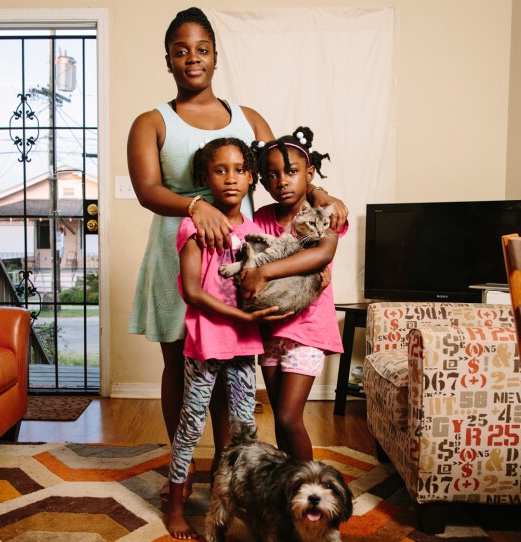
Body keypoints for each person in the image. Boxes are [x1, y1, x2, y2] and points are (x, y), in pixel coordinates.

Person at [126, 6, 348, 495]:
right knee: (181, 366)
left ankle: (225, 474)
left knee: (233, 364)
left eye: (201, 50)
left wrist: (323, 202)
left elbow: (282, 170)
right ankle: (180, 472)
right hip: (178, 255)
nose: (192, 59)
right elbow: (146, 189)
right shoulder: (151, 121)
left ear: (215, 57)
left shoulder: (249, 118)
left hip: (242, 258)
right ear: (167, 60)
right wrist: (193, 207)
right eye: (180, 52)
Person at [166, 138, 289, 538]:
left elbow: (271, 276)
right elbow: (192, 290)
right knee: (191, 422)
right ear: (205, 177)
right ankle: (176, 503)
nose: (231, 178)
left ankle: (239, 500)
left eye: (239, 169)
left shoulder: (255, 234)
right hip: (205, 343)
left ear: (251, 177)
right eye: (220, 170)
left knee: (244, 429)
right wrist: (238, 315)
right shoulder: (194, 225)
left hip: (243, 347)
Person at [242, 127, 348, 461]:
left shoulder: (324, 212)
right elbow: (251, 257)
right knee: (281, 422)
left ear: (309, 173)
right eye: (271, 175)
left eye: (291, 172)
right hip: (272, 328)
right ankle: (288, 490)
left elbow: (321, 254)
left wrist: (266, 271)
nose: (282, 181)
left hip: (308, 330)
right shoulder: (262, 218)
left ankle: (310, 487)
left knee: (289, 417)